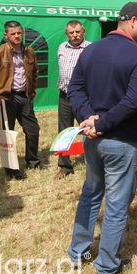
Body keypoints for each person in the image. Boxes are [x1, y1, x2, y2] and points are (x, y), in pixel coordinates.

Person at [66, 1, 137, 274]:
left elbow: (75, 89)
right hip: (120, 139)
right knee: (117, 203)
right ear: (130, 21)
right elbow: (133, 102)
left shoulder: (91, 49)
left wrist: (88, 119)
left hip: (93, 139)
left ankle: (78, 253)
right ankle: (107, 267)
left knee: (91, 194)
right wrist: (100, 123)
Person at [0, 20, 42, 179]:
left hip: (24, 97)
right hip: (5, 98)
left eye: (19, 33)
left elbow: (35, 73)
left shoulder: (29, 51)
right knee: (8, 134)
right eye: (13, 34)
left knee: (33, 130)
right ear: (6, 35)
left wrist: (32, 91)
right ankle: (11, 168)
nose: (17, 36)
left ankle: (32, 161)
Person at [56, 20, 90, 178]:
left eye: (78, 32)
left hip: (83, 96)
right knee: (64, 130)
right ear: (66, 33)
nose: (75, 35)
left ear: (83, 32)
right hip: (64, 95)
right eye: (71, 32)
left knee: (87, 128)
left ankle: (92, 161)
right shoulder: (62, 47)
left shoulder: (90, 48)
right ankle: (64, 166)